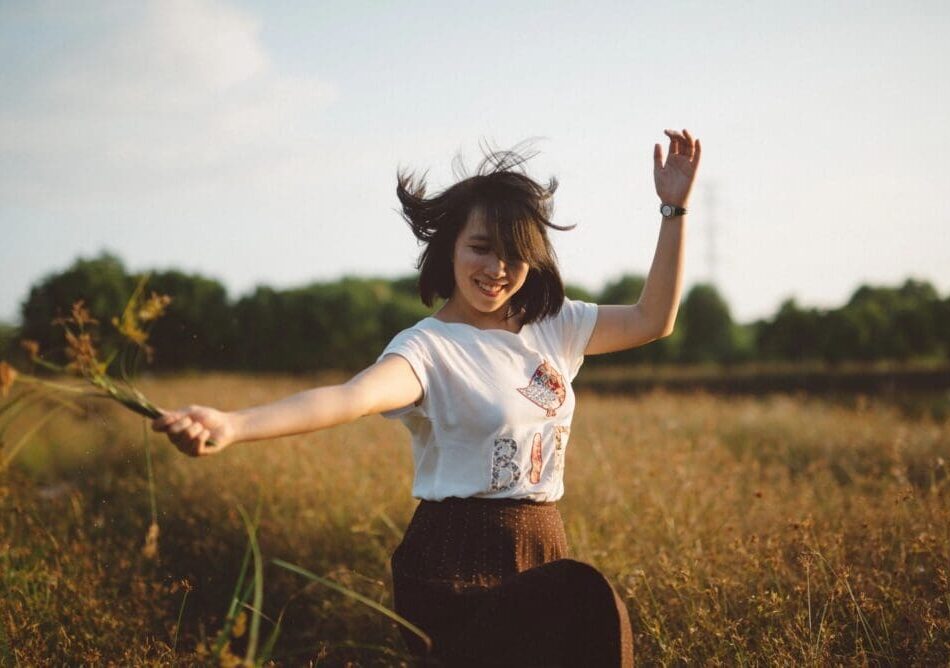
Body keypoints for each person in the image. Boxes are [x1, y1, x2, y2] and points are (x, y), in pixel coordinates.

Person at [153, 129, 701, 667]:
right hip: (454, 561)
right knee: (588, 599)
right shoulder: (429, 348)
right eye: (481, 248)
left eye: (514, 255)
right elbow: (350, 398)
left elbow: (653, 319)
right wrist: (232, 424)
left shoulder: (555, 325)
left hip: (541, 546)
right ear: (451, 247)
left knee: (584, 615)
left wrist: (673, 212)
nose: (496, 269)